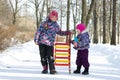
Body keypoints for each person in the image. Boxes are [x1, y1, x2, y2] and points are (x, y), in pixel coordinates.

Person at [34, 10, 71, 74]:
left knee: (50, 56)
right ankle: (45, 68)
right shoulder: (45, 23)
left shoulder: (56, 25)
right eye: (53, 17)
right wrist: (36, 39)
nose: (54, 18)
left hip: (50, 43)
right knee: (43, 56)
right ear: (50, 17)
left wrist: (67, 32)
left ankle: (52, 69)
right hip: (42, 42)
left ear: (57, 18)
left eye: (55, 17)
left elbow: (60, 32)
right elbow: (39, 31)